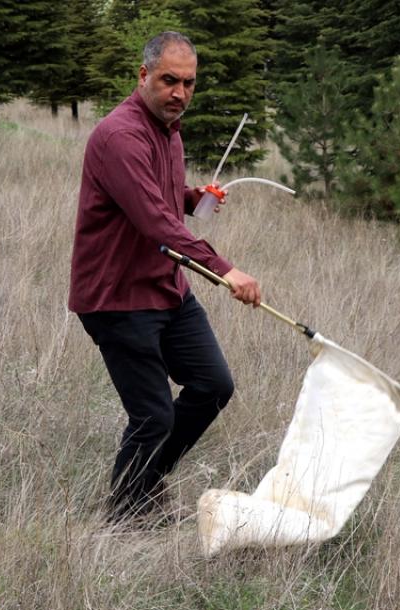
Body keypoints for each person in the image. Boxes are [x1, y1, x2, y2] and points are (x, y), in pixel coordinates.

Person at [69, 31, 262, 526]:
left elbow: (163, 198)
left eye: (189, 83)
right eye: (169, 81)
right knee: (152, 416)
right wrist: (226, 271)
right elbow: (155, 222)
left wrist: (195, 197)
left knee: (213, 385)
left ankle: (145, 483)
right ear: (143, 76)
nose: (180, 93)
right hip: (117, 298)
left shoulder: (170, 130)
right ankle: (125, 518)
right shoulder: (118, 136)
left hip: (166, 289)